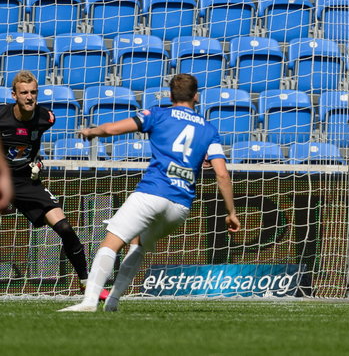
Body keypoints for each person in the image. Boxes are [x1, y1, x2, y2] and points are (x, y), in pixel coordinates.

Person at [59, 73, 241, 312]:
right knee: (140, 244)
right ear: (196, 96)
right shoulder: (209, 130)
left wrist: (92, 132)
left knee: (112, 242)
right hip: (180, 206)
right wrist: (231, 212)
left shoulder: (157, 114)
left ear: (170, 95)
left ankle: (90, 301)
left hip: (152, 193)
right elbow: (222, 175)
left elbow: (113, 129)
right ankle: (112, 302)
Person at [0, 71, 108, 300]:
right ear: (14, 95)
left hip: (26, 182)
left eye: (33, 92)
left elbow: (31, 143)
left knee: (65, 228)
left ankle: (85, 283)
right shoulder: (1, 116)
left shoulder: (46, 118)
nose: (29, 97)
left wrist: (37, 160)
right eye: (24, 93)